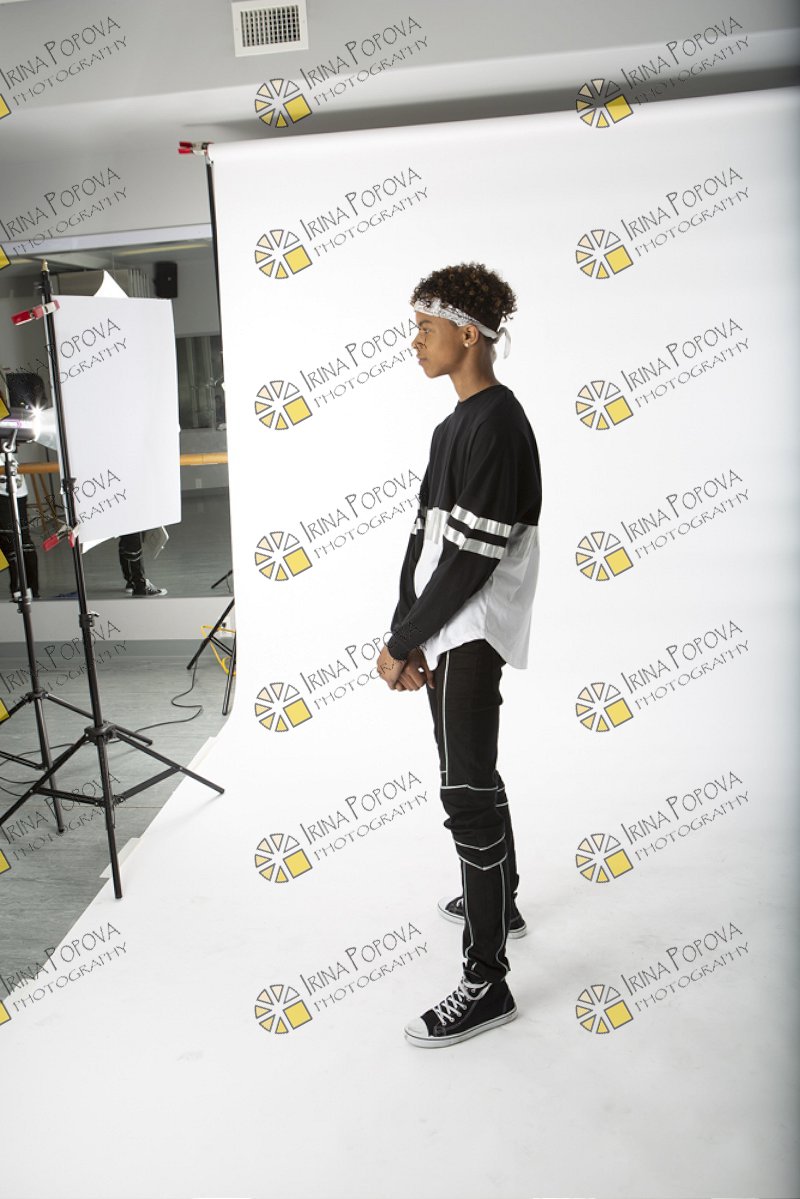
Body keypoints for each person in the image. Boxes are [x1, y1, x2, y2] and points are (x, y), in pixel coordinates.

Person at [376, 263, 542, 1048]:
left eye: (425, 327)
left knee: (466, 791)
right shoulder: (453, 426)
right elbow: (425, 540)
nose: (415, 341)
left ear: (467, 333)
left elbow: (474, 558)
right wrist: (403, 627)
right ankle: (501, 897)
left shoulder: (500, 424)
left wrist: (405, 638)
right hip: (442, 627)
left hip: (470, 630)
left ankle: (487, 980)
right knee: (472, 772)